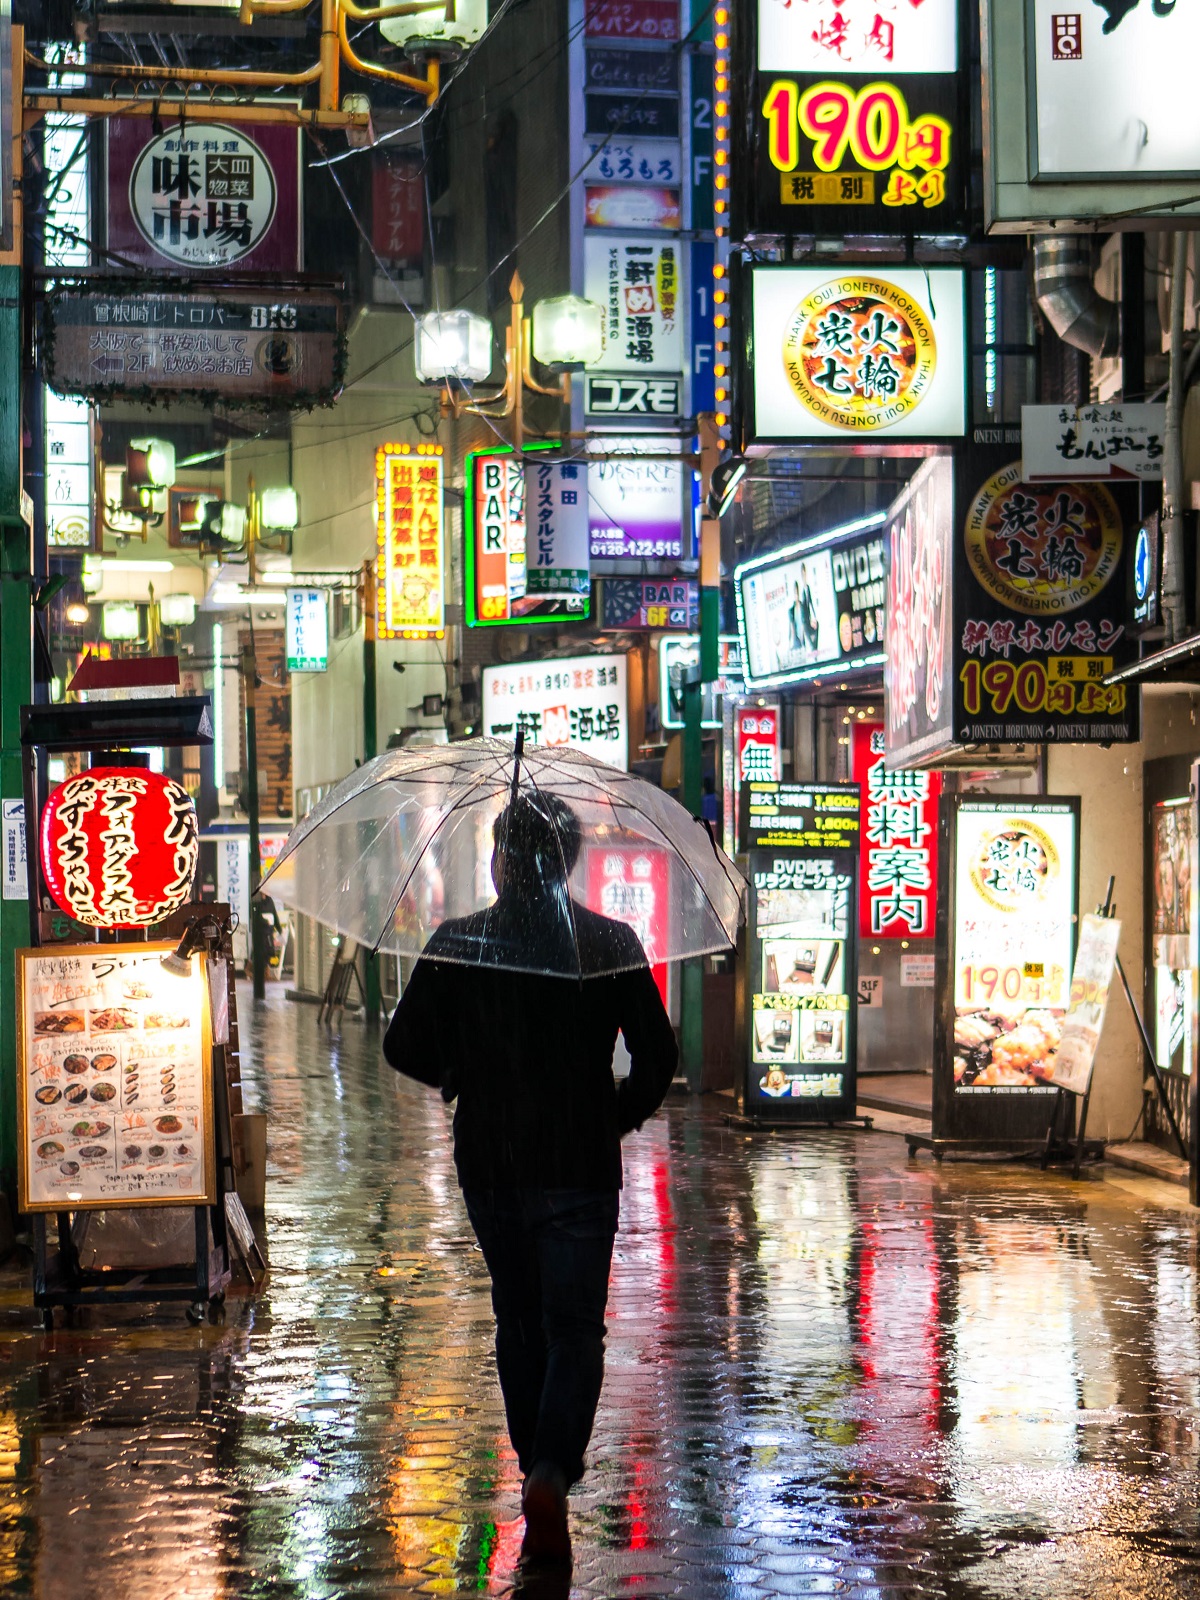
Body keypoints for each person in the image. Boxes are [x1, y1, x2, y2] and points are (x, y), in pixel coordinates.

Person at [383, 793, 678, 1576]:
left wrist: (458, 1073)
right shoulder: (608, 942)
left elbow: (402, 1043)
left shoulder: (461, 940)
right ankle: (551, 1471)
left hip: (492, 1159)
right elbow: (658, 1056)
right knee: (574, 1326)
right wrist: (614, 1115)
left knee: (517, 1317)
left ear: (499, 861)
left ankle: (531, 1469)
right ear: (568, 862)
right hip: (580, 1160)